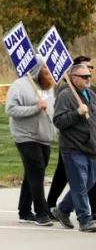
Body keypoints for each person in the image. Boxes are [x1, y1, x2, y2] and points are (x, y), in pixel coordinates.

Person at [5, 55, 55, 226]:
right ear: (37, 68)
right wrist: (35, 108)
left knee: (32, 173)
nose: (49, 70)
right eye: (45, 67)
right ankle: (42, 213)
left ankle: (24, 211)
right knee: (37, 171)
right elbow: (10, 109)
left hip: (44, 136)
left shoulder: (48, 86)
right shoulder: (19, 85)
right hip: (25, 136)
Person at [48, 56, 96, 219]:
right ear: (74, 78)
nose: (88, 77)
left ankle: (62, 210)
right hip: (74, 147)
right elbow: (58, 121)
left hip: (91, 147)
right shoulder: (66, 95)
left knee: (88, 183)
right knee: (79, 186)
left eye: (89, 74)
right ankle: (85, 219)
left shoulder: (90, 93)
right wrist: (77, 113)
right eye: (84, 76)